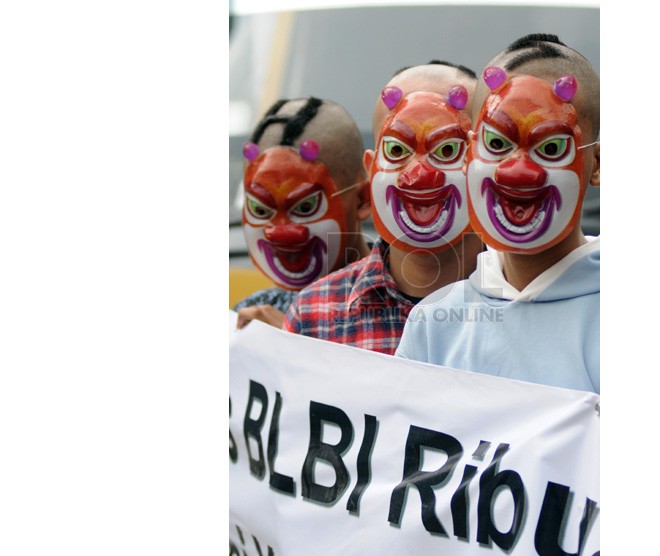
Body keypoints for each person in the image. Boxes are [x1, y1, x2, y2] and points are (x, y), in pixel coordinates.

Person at [395, 34, 601, 394]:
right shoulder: (432, 325)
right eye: (495, 144)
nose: (516, 170)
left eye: (551, 147)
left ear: (597, 163)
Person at [282, 61, 484, 355]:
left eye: (448, 149)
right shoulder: (313, 317)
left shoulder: (528, 300)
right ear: (371, 169)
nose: (419, 174)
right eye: (397, 150)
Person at [234, 97, 371, 329]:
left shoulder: (404, 308)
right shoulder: (250, 316)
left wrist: (293, 345)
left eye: (305, 208)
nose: (279, 232)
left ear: (362, 200)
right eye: (260, 210)